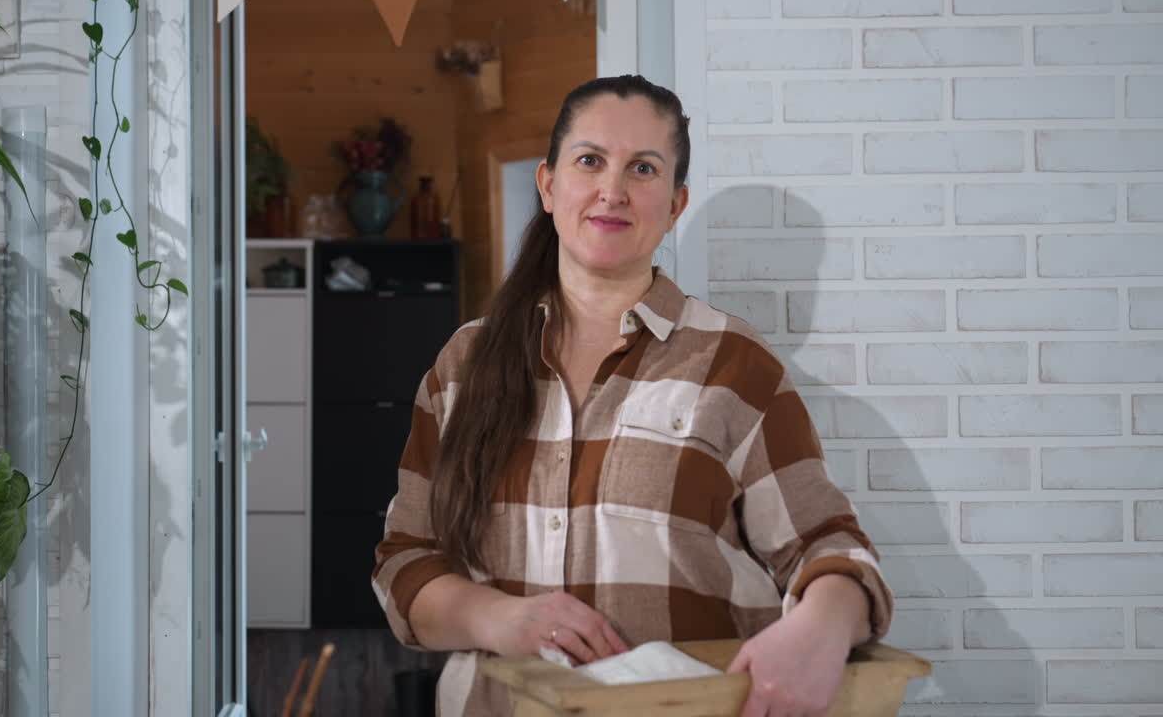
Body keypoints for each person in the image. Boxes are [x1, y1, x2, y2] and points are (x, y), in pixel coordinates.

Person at [373, 74, 892, 717]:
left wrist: (822, 625)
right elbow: (405, 563)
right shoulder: (463, 366)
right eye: (590, 160)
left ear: (674, 205)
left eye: (642, 169)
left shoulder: (733, 364)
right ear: (548, 185)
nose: (612, 191)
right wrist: (498, 619)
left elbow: (829, 546)